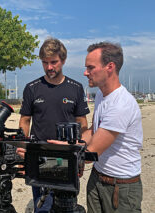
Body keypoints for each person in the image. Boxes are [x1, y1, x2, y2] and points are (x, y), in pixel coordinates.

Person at [49, 42, 143, 212]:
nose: (85, 73)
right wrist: (71, 144)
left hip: (120, 186)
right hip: (98, 178)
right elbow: (93, 131)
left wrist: (53, 153)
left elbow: (91, 153)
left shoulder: (121, 104)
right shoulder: (101, 94)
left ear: (110, 67)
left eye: (90, 68)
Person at [16, 37, 90, 213]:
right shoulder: (32, 88)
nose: (49, 67)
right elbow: (25, 120)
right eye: (45, 62)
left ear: (63, 60)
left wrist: (81, 151)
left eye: (54, 62)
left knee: (66, 207)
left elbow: (83, 123)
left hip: (67, 158)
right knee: (42, 208)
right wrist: (21, 148)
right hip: (39, 158)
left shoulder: (76, 88)